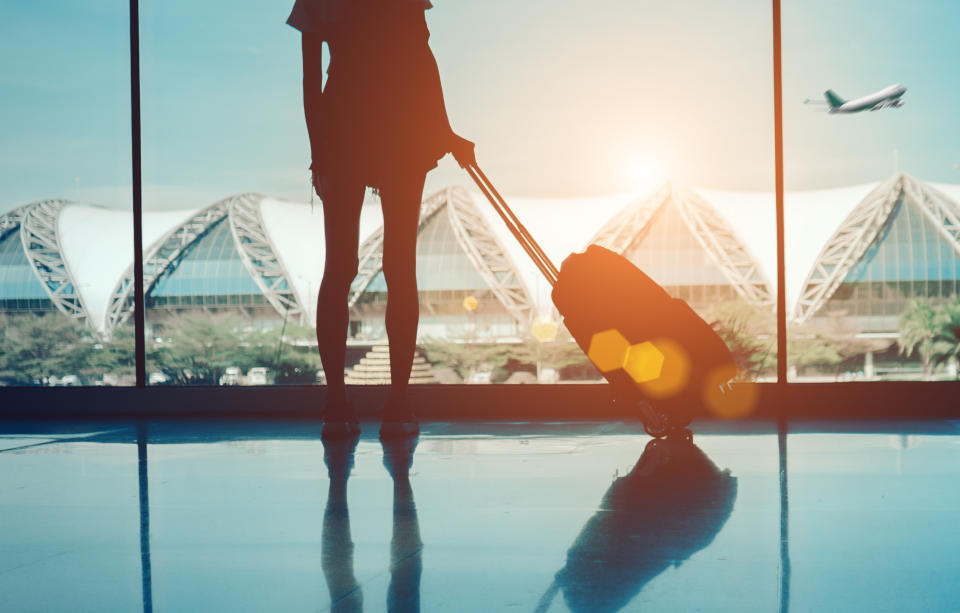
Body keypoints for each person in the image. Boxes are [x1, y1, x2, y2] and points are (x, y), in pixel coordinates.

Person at [288, 0, 475, 437]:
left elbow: (310, 78)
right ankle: (398, 402)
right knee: (400, 269)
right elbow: (423, 61)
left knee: (339, 269)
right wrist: (443, 130)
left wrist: (320, 156)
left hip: (342, 132)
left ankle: (336, 402)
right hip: (400, 133)